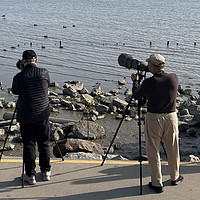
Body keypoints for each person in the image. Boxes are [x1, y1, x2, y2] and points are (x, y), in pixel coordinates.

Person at [131, 54, 183, 193]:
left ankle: (157, 183)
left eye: (149, 65)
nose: (147, 66)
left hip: (154, 118)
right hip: (171, 117)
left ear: (153, 66)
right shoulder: (174, 78)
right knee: (173, 149)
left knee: (153, 151)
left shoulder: (149, 82)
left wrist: (135, 82)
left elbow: (137, 95)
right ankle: (175, 177)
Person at [11, 50, 51, 185]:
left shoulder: (19, 77)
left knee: (29, 145)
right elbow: (47, 84)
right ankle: (46, 172)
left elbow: (15, 91)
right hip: (43, 114)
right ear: (36, 60)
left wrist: (23, 71)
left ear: (23, 61)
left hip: (26, 115)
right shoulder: (44, 72)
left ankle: (30, 175)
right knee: (44, 143)